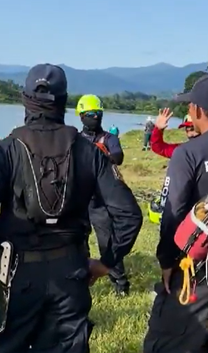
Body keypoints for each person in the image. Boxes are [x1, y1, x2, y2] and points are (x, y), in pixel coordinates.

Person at [0, 64, 143, 353]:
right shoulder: (89, 151)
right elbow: (129, 215)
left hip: (14, 274)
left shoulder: (6, 149)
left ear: (25, 99)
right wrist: (107, 261)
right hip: (70, 273)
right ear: (64, 101)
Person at [144, 75, 208, 353]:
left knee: (165, 343)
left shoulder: (188, 153)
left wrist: (166, 260)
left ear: (198, 111)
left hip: (194, 268)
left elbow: (172, 212)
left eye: (190, 105)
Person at [76, 94, 130, 295]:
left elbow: (118, 157)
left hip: (101, 199)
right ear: (81, 116)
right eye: (90, 114)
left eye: (98, 113)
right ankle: (80, 277)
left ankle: (120, 283)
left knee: (106, 242)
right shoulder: (75, 138)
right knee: (78, 241)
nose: (95, 117)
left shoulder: (109, 138)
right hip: (80, 198)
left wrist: (101, 153)